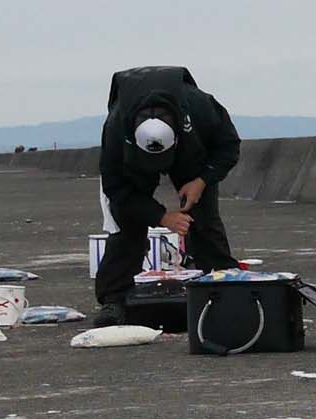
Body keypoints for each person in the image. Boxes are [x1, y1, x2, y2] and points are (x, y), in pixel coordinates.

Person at [90, 66, 242, 324]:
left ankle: (222, 286)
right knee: (126, 222)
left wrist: (202, 181)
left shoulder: (200, 108)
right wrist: (161, 216)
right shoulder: (116, 127)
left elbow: (228, 146)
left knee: (204, 218)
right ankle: (114, 299)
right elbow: (117, 189)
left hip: (190, 154)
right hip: (132, 163)